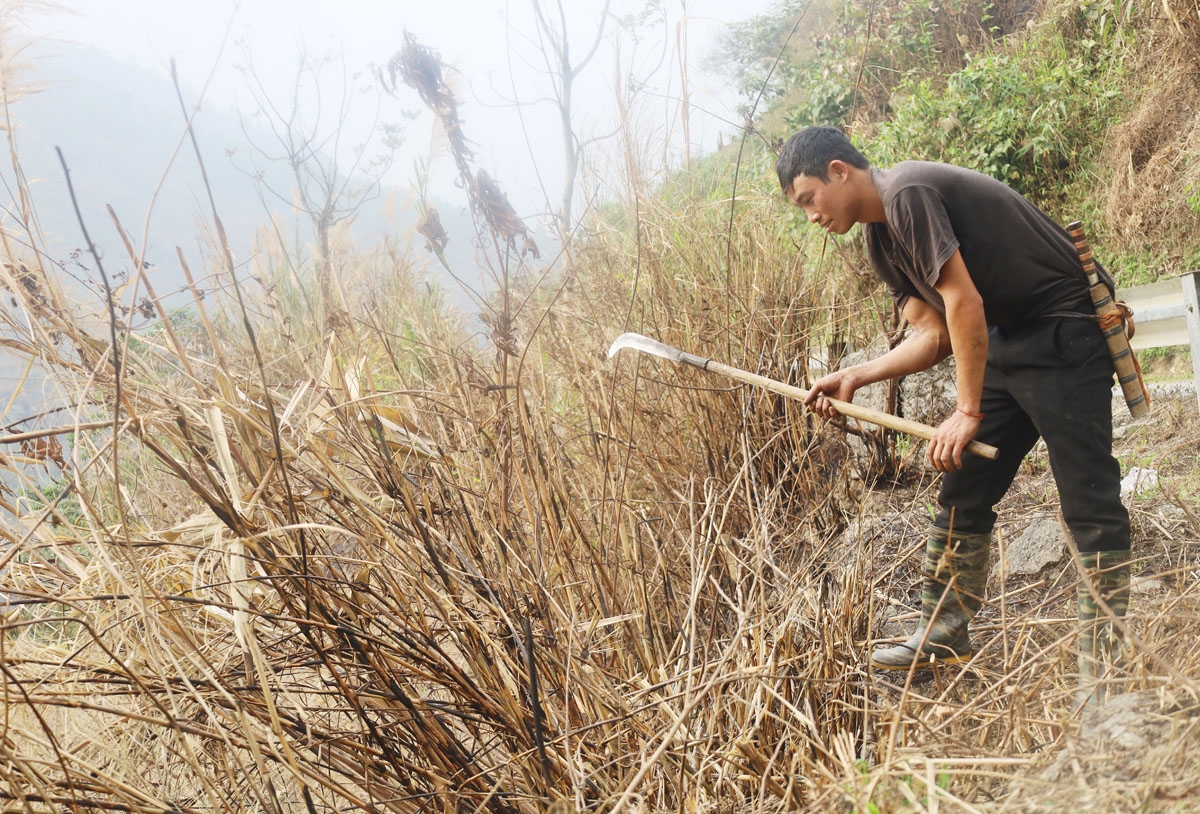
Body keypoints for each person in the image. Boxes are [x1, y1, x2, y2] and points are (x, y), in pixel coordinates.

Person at [776, 126, 1130, 703]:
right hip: (1008, 337)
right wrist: (857, 376)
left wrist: (967, 409)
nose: (812, 216)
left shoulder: (907, 194)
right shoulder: (880, 241)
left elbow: (964, 301)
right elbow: (936, 333)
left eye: (809, 199)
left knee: (1088, 499)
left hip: (1064, 325)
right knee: (962, 487)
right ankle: (943, 634)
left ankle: (1107, 667)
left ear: (839, 171)